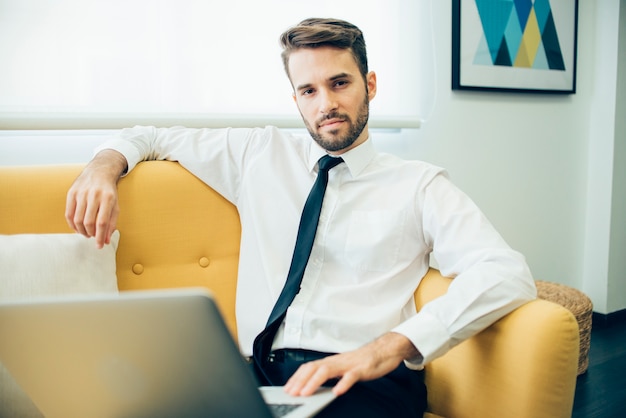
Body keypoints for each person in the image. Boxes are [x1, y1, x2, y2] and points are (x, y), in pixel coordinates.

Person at [65, 18, 536, 418]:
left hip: (363, 382)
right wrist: (102, 168)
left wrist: (390, 347)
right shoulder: (258, 154)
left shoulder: (419, 185)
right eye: (308, 90)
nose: (325, 104)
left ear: (369, 85)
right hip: (260, 377)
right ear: (295, 100)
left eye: (340, 83)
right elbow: (146, 135)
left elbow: (505, 273)